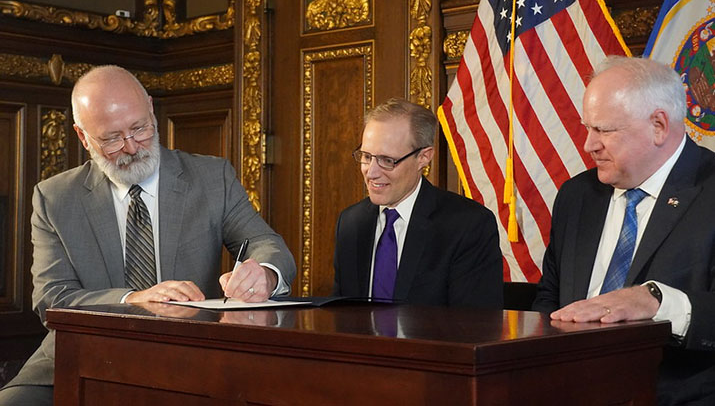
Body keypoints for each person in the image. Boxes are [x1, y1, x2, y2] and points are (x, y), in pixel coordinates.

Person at [0, 65, 296, 405]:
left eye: (139, 128)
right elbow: (53, 297)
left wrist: (265, 274)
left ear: (151, 109)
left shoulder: (212, 178)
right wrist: (132, 299)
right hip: (81, 356)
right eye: (112, 138)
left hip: (190, 356)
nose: (131, 147)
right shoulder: (54, 197)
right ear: (83, 137)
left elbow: (267, 244)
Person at [532, 56, 715, 405]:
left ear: (658, 125)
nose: (589, 144)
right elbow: (549, 301)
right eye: (587, 128)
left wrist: (657, 301)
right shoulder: (577, 196)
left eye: (604, 130)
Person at [333, 98, 503, 307]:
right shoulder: (351, 223)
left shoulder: (467, 225)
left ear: (424, 157)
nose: (372, 172)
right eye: (367, 157)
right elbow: (342, 315)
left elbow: (474, 326)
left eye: (387, 160)